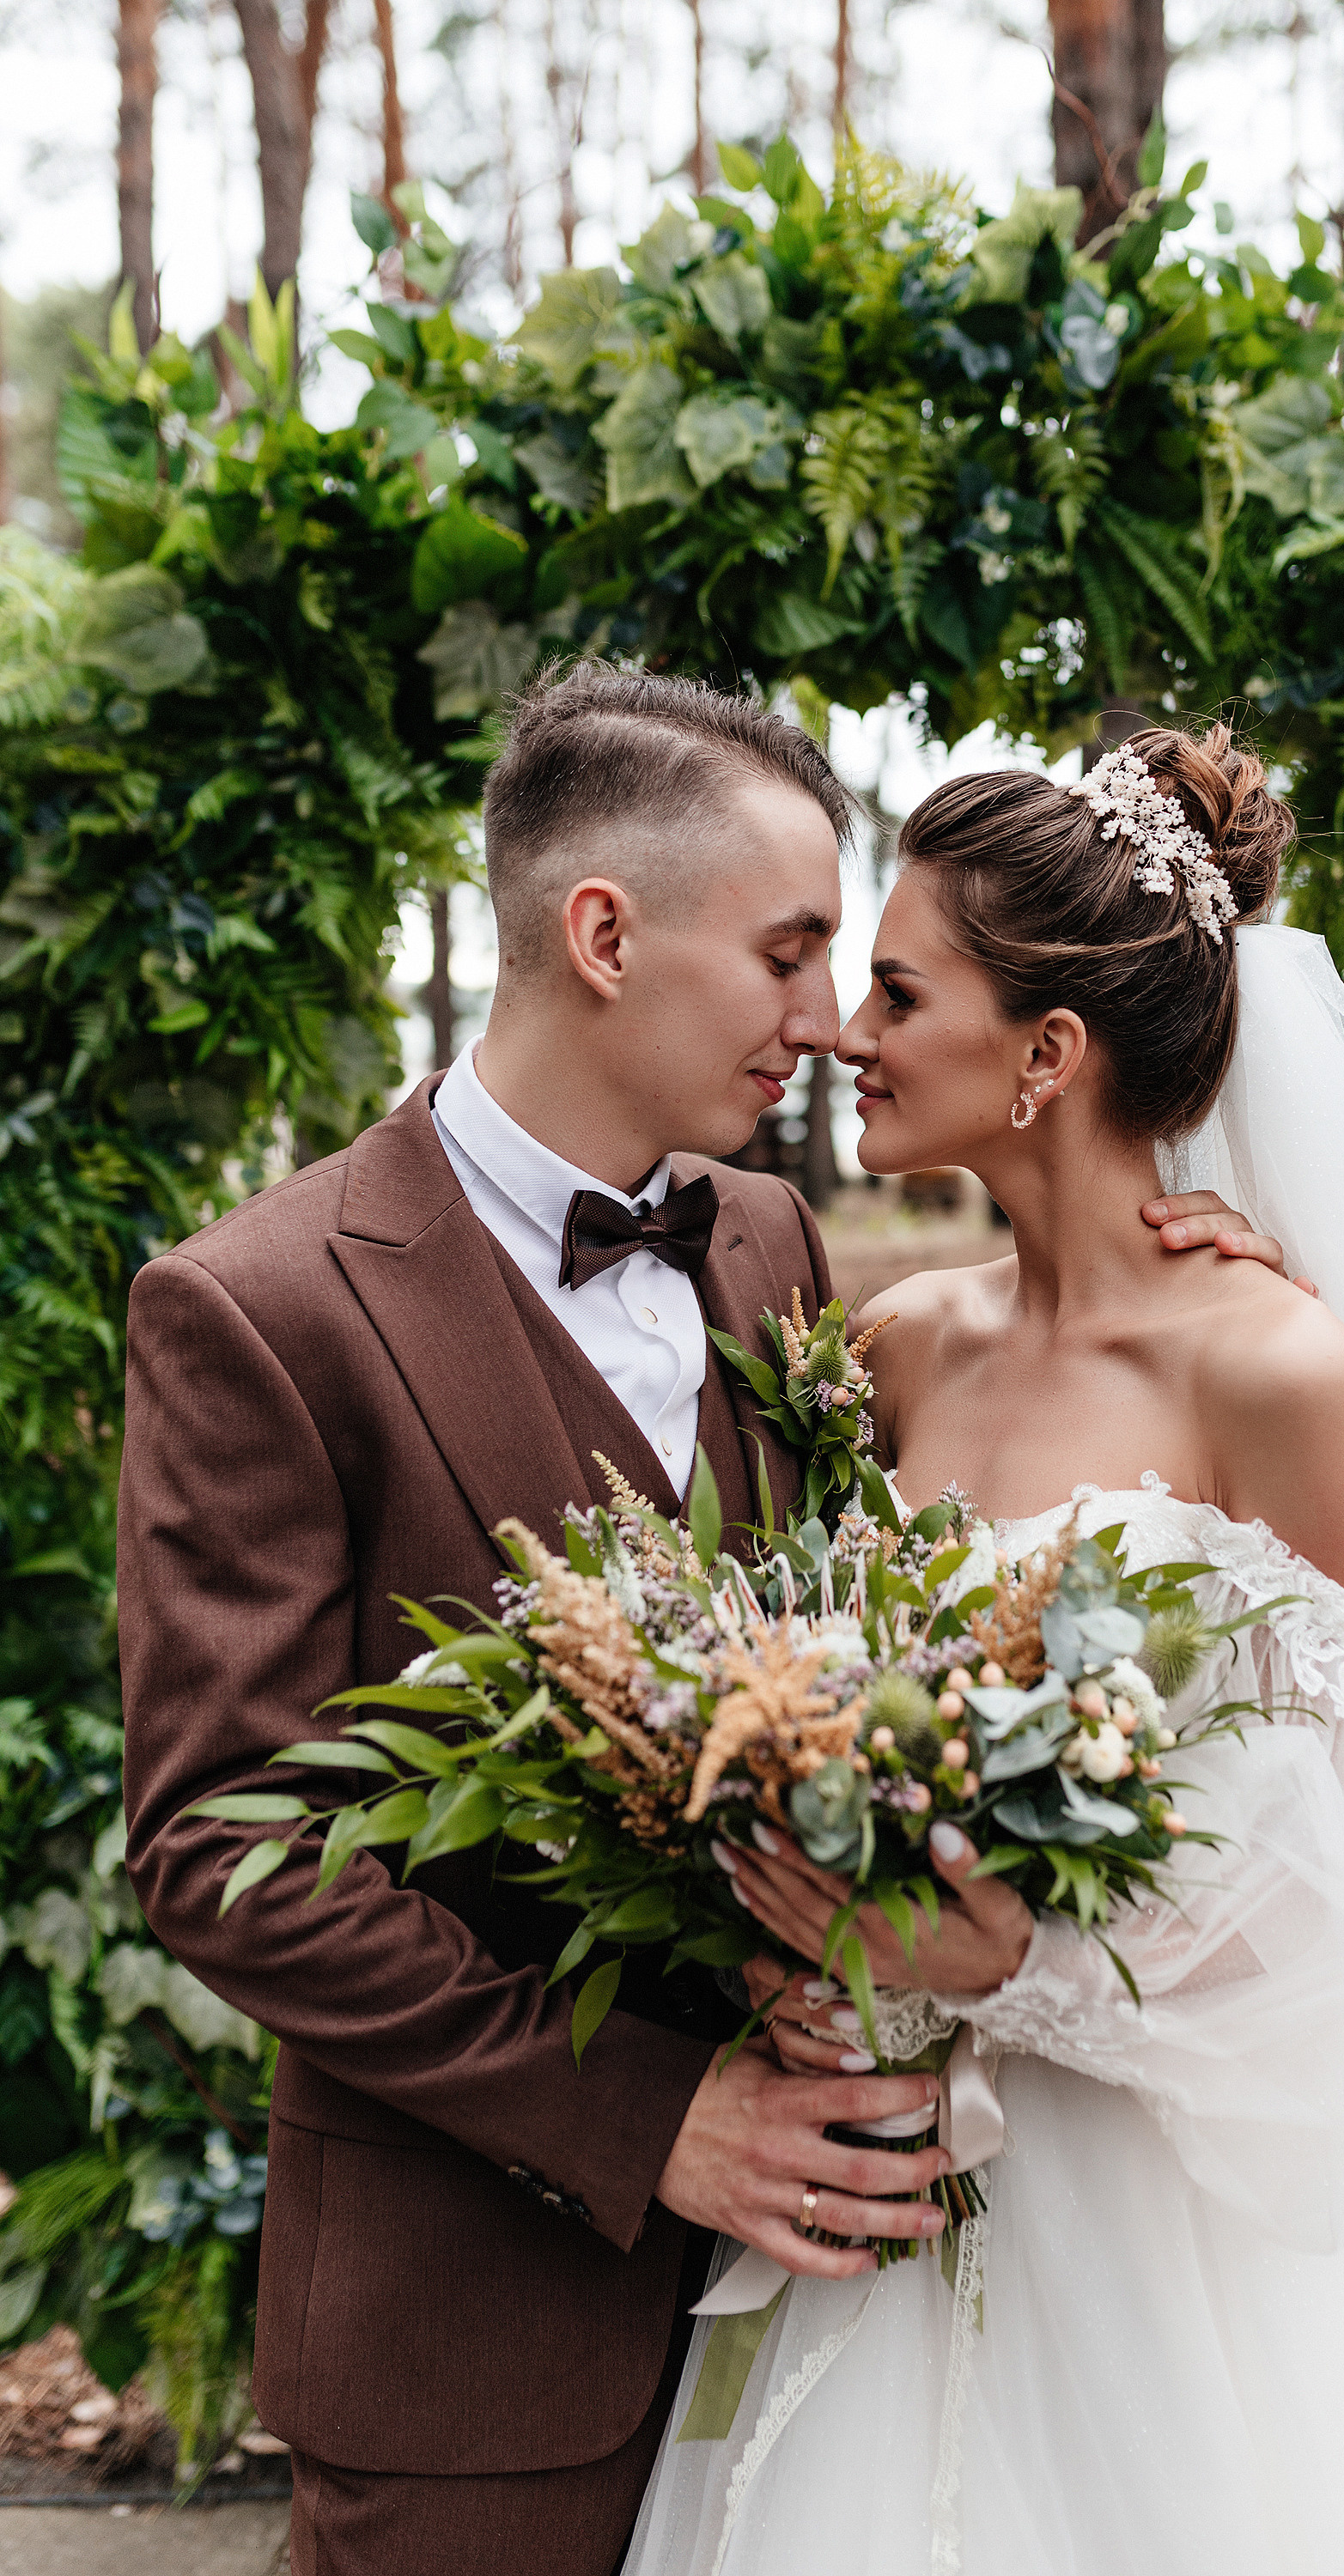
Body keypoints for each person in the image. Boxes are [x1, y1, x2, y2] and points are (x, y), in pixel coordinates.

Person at [117, 669, 1284, 2576]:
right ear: (602, 934)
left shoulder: (769, 1249)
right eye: (790, 953)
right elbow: (220, 1846)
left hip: (847, 2315)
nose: (827, 1022)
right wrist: (648, 2113)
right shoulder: (255, 1309)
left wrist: (1188, 1260)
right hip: (477, 2329)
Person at [618, 725, 1344, 2576]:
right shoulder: (888, 1352)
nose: (844, 1034)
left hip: (1160, 2257)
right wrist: (810, 1959)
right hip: (881, 2196)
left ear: (1047, 1054)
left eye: (896, 990)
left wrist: (1014, 1955)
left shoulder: (1270, 1368)